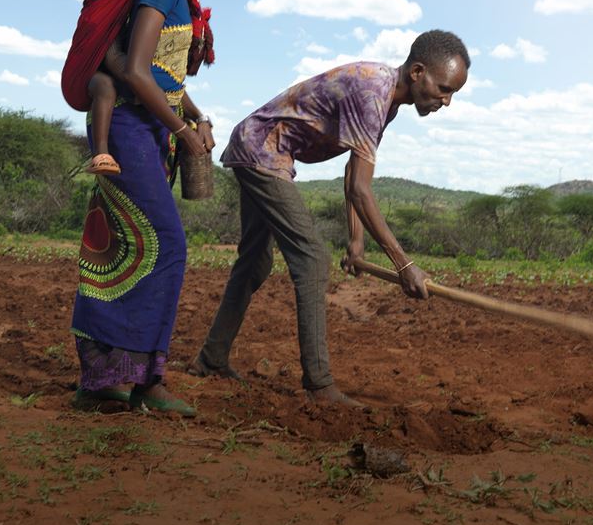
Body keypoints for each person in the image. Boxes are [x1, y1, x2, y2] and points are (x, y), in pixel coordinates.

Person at [187, 30, 471, 407]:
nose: (446, 101)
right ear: (418, 71)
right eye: (444, 88)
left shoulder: (386, 100)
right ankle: (319, 385)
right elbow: (360, 190)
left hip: (261, 149)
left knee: (254, 264)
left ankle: (210, 359)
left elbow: (355, 177)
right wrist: (405, 265)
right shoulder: (373, 92)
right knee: (312, 260)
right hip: (263, 152)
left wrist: (356, 244)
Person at [64, 0, 233, 416]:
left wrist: (196, 115)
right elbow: (136, 72)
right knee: (164, 244)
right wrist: (182, 130)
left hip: (149, 132)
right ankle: (126, 379)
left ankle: (130, 379)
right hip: (133, 130)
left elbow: (165, 77)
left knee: (130, 246)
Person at [74, 0, 130, 175]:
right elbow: (112, 58)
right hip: (90, 73)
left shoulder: (129, 5)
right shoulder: (97, 13)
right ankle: (101, 153)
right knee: (104, 86)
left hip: (121, 71)